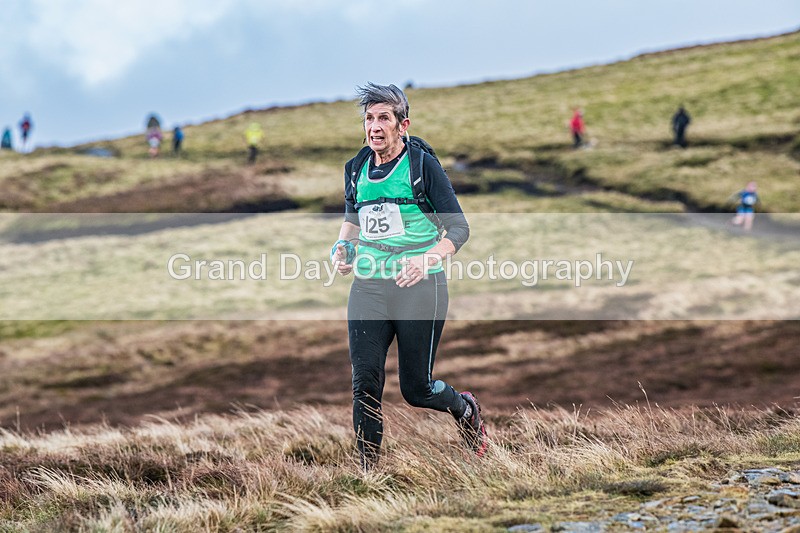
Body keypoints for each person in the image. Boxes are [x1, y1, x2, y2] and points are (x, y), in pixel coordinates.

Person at [331, 82, 487, 470]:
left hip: (419, 286)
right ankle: (368, 474)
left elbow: (459, 229)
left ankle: (465, 409)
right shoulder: (355, 168)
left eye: (384, 118)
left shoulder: (422, 167)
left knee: (417, 389)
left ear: (403, 125)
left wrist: (426, 260)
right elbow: (353, 218)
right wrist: (342, 247)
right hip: (369, 286)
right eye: (369, 118)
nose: (375, 126)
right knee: (365, 384)